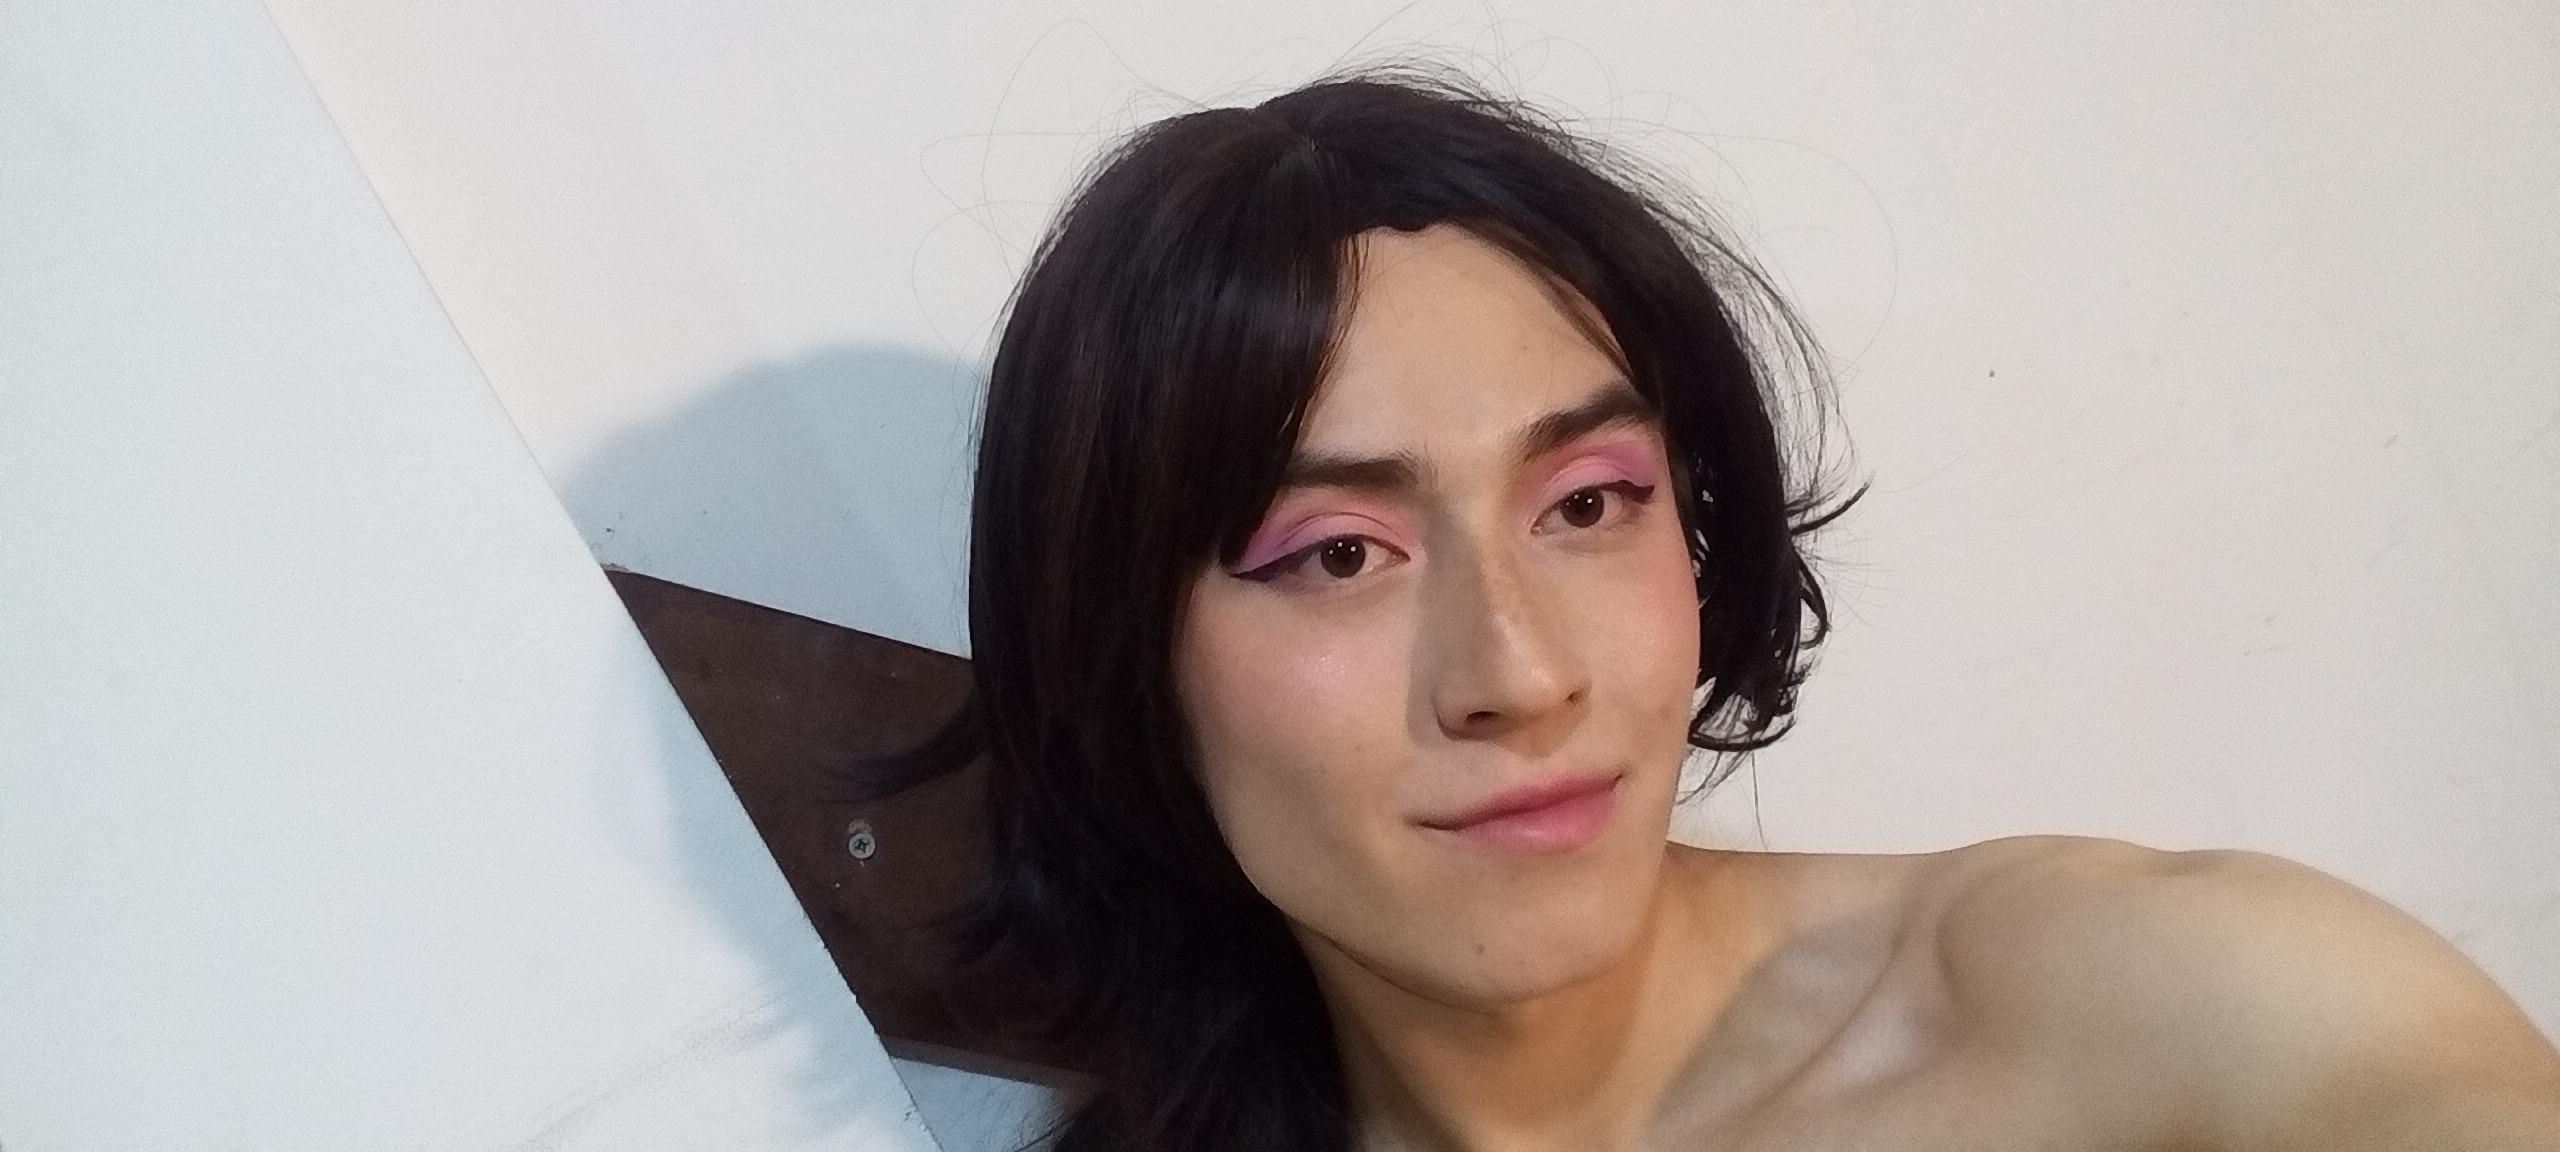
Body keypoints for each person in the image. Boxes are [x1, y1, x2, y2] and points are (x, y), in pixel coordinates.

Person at [875, 70, 2560, 1150]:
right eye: (1337, 556)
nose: (1519, 672)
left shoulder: (2159, 1014)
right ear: (1119, 664)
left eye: (1587, 504)